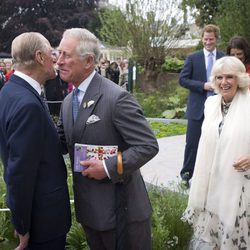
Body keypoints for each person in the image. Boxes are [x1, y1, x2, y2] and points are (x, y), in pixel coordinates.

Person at [57, 28, 159, 250]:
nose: (59, 61)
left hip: (122, 214)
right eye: (58, 53)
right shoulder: (68, 102)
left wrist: (108, 166)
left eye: (66, 55)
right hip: (91, 214)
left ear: (88, 61)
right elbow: (61, 143)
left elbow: (148, 145)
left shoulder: (117, 98)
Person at [0, 32, 71, 250]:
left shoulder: (10, 92)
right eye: (52, 53)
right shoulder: (27, 104)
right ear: (40, 57)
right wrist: (23, 225)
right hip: (43, 223)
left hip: (38, 219)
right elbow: (19, 172)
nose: (57, 60)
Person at [182, 56, 250, 250]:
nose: (224, 82)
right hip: (212, 181)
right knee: (213, 240)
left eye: (229, 77)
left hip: (241, 183)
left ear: (240, 79)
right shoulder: (210, 104)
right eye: (219, 77)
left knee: (237, 237)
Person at [179, 24, 224, 188]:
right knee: (192, 143)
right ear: (202, 39)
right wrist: (203, 85)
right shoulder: (193, 57)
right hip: (197, 108)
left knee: (218, 142)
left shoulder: (223, 58)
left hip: (219, 108)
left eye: (211, 39)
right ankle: (186, 176)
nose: (208, 42)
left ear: (216, 39)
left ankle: (214, 177)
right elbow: (182, 80)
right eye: (205, 39)